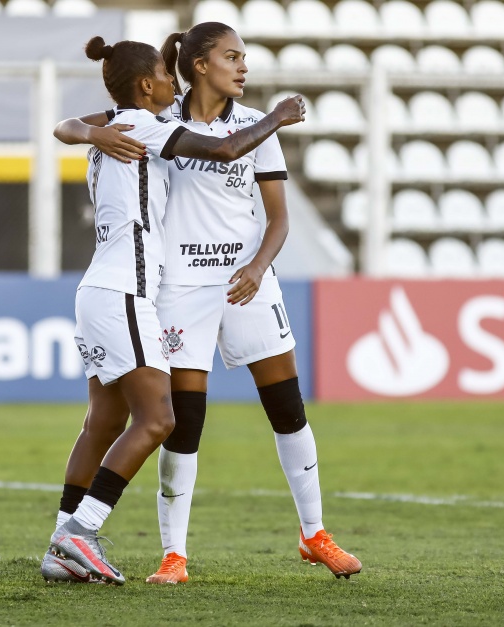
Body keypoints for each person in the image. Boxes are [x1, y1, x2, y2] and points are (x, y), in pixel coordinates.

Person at [49, 23, 361, 585]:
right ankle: (174, 555)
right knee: (180, 422)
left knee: (287, 409)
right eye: (233, 57)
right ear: (198, 65)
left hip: (246, 281)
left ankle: (314, 533)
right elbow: (73, 126)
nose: (243, 67)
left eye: (244, 58)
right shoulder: (157, 120)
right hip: (177, 286)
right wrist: (89, 134)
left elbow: (279, 217)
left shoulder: (249, 125)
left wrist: (259, 267)